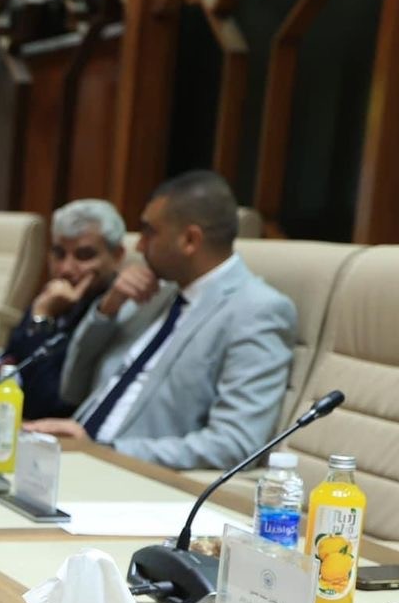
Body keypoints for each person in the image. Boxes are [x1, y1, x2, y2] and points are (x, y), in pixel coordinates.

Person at [23, 170, 296, 470]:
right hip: (73, 455)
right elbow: (72, 387)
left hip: (134, 474)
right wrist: (107, 309)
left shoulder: (256, 310)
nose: (139, 246)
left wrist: (106, 451)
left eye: (149, 232)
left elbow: (234, 444)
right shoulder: (157, 291)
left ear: (190, 240)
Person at [0, 198, 135, 419]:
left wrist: (43, 317)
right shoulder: (57, 296)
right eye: (59, 254)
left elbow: (44, 403)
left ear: (117, 256)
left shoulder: (112, 313)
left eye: (84, 255)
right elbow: (13, 357)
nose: (66, 268)